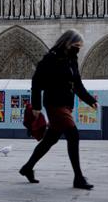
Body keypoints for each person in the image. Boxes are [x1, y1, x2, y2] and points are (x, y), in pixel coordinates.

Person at [19, 30, 97, 190]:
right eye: (76, 46)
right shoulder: (51, 58)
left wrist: (90, 100)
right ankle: (78, 177)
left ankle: (27, 167)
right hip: (54, 104)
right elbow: (36, 82)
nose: (78, 50)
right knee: (73, 135)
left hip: (66, 104)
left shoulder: (72, 60)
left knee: (50, 140)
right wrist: (36, 106)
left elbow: (77, 84)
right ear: (67, 43)